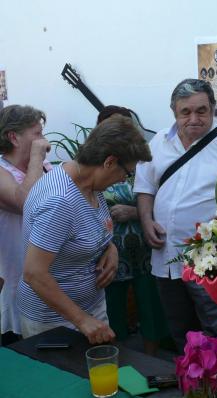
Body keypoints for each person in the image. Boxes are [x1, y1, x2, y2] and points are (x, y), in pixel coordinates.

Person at [134, 79, 217, 351]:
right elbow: (145, 189)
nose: (194, 119)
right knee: (180, 332)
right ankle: (191, 383)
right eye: (186, 112)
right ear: (174, 111)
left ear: (212, 110)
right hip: (166, 259)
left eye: (202, 111)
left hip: (212, 263)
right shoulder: (158, 143)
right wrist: (146, 219)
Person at [17, 115, 152, 344]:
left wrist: (110, 249)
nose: (122, 180)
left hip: (89, 309)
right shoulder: (60, 201)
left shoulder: (89, 184)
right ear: (109, 162)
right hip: (56, 322)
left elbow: (85, 229)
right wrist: (82, 320)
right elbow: (34, 273)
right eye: (126, 173)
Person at [97, 106, 170, 355]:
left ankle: (151, 359)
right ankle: (115, 358)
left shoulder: (147, 160)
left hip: (146, 248)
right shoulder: (92, 164)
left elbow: (166, 203)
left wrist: (134, 212)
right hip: (108, 252)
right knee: (112, 310)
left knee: (151, 308)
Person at [0, 105, 50, 345]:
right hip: (17, 283)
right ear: (13, 137)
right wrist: (37, 158)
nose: (43, 140)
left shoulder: (44, 168)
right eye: (37, 134)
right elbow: (28, 201)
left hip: (49, 283)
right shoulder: (2, 171)